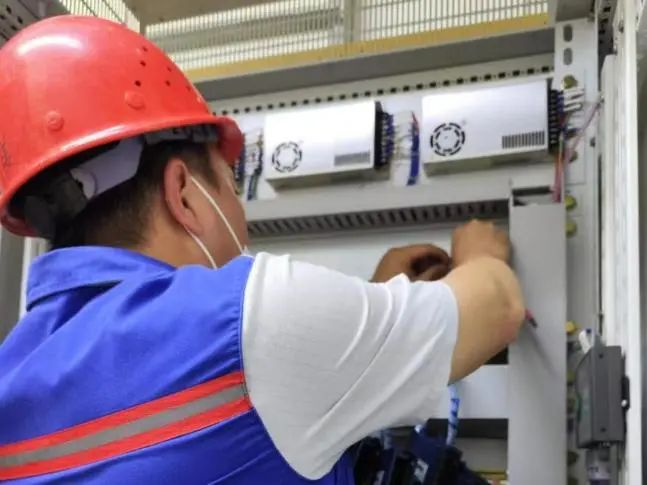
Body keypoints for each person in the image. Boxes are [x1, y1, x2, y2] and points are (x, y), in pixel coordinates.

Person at [0, 16, 525, 484]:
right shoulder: (244, 319)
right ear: (184, 193)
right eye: (231, 185)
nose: (239, 213)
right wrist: (478, 253)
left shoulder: (12, 376)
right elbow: (497, 306)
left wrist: (373, 297)